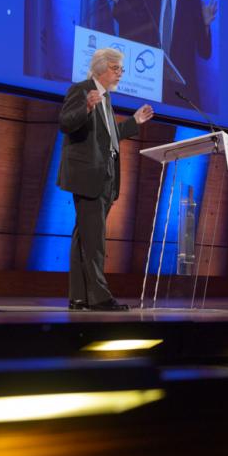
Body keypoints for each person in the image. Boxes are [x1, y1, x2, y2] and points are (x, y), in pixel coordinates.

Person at [57, 47, 154, 310]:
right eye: (116, 68)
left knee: (84, 239)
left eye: (122, 69)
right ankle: (99, 298)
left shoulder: (107, 98)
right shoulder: (82, 89)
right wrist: (86, 107)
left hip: (106, 177)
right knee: (94, 240)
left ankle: (78, 298)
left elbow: (108, 137)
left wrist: (134, 121)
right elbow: (66, 122)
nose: (121, 73)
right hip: (88, 175)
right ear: (101, 67)